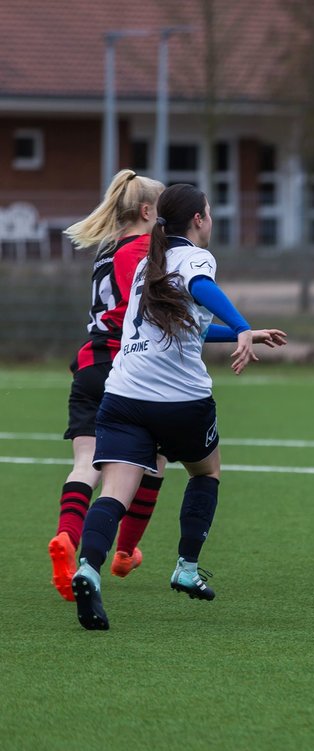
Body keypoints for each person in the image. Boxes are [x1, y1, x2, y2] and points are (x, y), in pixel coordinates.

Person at [69, 183, 286, 630]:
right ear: (199, 220)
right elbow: (203, 287)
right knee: (206, 472)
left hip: (123, 394)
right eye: (208, 212)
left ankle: (88, 568)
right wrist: (242, 325)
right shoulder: (194, 258)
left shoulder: (147, 264)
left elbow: (189, 327)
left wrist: (247, 332)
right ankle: (186, 568)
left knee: (113, 492)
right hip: (181, 401)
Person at [49, 170, 167, 601]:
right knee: (153, 459)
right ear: (147, 210)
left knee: (86, 464)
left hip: (89, 362)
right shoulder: (145, 249)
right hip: (128, 366)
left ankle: (66, 535)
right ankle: (125, 551)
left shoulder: (106, 249)